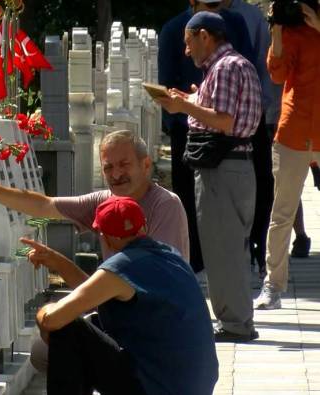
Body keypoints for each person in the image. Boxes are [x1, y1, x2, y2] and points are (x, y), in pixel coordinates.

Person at [26, 196, 218, 395]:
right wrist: (57, 262)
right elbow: (95, 292)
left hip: (157, 387)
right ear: (143, 225)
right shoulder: (171, 256)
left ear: (105, 236)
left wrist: (47, 310)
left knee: (65, 331)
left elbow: (52, 320)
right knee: (86, 328)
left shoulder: (122, 266)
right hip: (193, 385)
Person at [156, 11, 262, 342]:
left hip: (224, 167)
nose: (186, 51)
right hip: (233, 166)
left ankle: (235, 324)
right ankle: (237, 320)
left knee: (223, 247)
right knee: (229, 246)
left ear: (205, 36)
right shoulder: (228, 66)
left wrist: (183, 108)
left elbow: (224, 122)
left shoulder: (227, 67)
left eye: (189, 42)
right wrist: (190, 100)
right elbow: (219, 113)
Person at [0, 130, 189, 262]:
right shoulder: (103, 201)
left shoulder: (166, 205)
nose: (117, 174)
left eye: (124, 165)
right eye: (109, 167)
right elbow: (44, 206)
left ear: (146, 165)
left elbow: (162, 272)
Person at [254, 2, 320, 310]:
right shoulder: (291, 31)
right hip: (294, 127)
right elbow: (277, 75)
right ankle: (273, 286)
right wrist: (277, 32)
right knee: (281, 214)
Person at [223, 0, 282, 275]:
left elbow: (263, 63)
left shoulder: (250, 17)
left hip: (253, 113)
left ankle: (258, 245)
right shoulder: (195, 17)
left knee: (261, 181)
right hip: (215, 118)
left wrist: (268, 111)